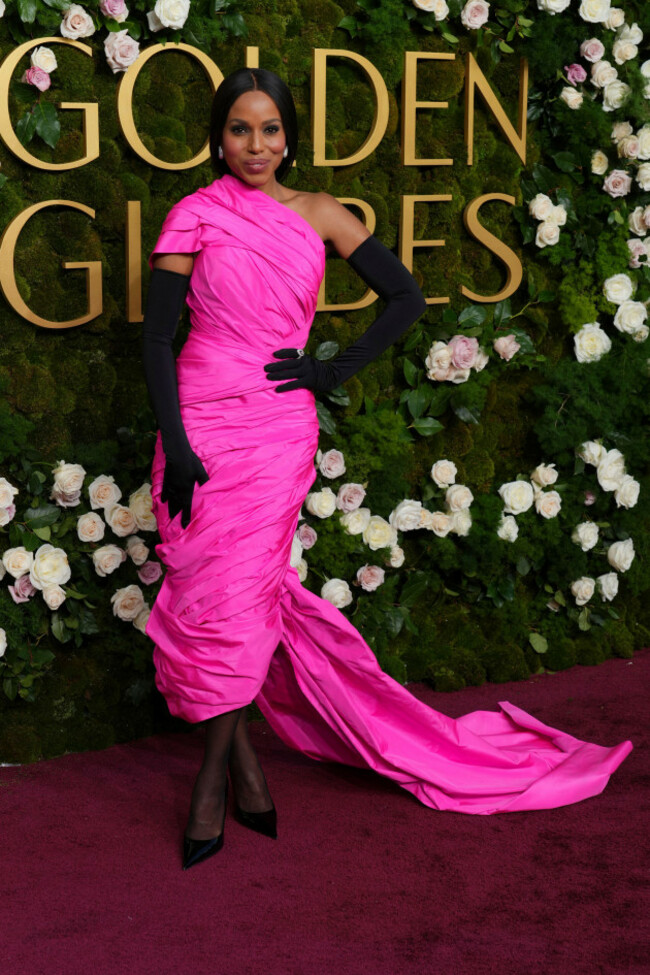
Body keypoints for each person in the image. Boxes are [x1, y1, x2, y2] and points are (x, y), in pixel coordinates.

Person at [142, 68, 632, 871]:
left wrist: (333, 370)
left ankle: (209, 781)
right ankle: (248, 767)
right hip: (196, 423)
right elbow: (157, 339)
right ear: (218, 136)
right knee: (207, 597)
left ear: (291, 136)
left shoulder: (325, 214)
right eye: (239, 129)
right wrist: (180, 445)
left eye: (270, 129)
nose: (255, 145)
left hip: (274, 435)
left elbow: (405, 299)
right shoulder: (194, 214)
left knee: (242, 593)